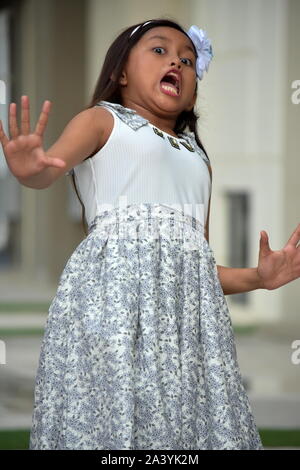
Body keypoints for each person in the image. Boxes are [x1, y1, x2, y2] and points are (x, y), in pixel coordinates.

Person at [1, 17, 299, 451]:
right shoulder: (103, 121)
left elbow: (199, 266)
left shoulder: (199, 159)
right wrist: (29, 170)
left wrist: (258, 277)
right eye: (159, 50)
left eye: (188, 59)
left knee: (184, 425)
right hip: (111, 310)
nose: (176, 62)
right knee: (110, 416)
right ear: (120, 73)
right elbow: (47, 170)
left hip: (186, 326)